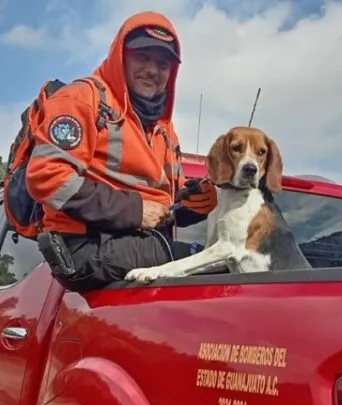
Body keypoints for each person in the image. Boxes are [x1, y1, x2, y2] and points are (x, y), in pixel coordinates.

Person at [24, 11, 216, 292]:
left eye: (163, 63)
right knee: (216, 263)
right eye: (143, 57)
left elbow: (164, 205)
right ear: (121, 56)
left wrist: (192, 204)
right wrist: (135, 211)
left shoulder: (164, 129)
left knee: (228, 258)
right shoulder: (82, 99)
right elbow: (47, 177)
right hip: (84, 248)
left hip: (139, 244)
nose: (152, 69)